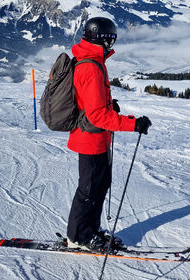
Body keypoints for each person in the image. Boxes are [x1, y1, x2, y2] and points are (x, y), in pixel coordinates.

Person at [66, 16, 152, 251]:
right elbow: (97, 116)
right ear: (101, 39)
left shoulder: (92, 61)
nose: (112, 44)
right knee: (89, 190)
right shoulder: (91, 68)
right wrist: (133, 124)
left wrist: (108, 105)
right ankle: (78, 237)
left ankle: (90, 230)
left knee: (99, 185)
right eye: (110, 39)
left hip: (97, 138)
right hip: (89, 139)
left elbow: (92, 105)